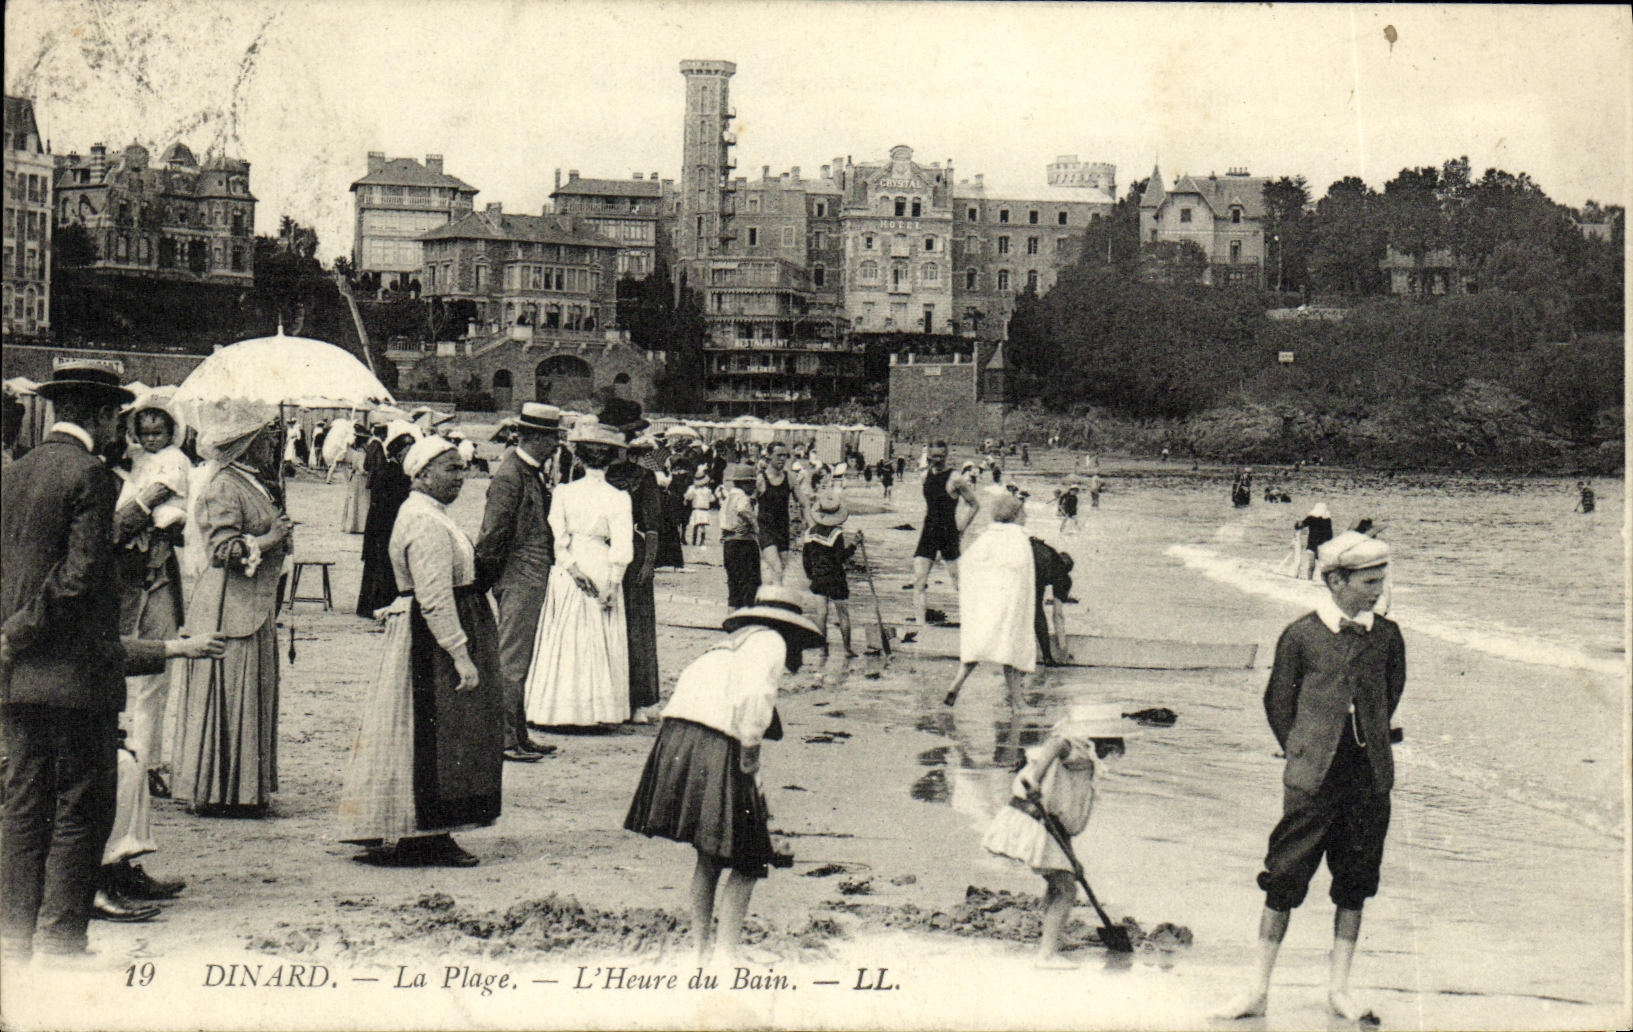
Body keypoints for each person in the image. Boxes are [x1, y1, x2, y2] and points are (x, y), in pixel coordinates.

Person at [1213, 531, 1404, 1023]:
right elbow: (1278, 703)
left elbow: (1390, 693)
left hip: (1368, 777)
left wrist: (1366, 740)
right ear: (1336, 581)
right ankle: (1257, 990)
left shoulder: (1388, 636)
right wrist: (1304, 751)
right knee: (1284, 878)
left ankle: (1339, 991)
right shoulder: (1300, 635)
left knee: (1356, 881)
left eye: (1381, 580)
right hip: (1312, 778)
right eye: (1369, 582)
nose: (1379, 590)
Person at [0, 361, 139, 962]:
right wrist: (20, 632)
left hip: (16, 677)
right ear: (103, 415)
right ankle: (60, 942)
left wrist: (9, 637)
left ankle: (11, 940)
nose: (120, 431)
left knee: (23, 807)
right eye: (118, 419)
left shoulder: (15, 471)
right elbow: (78, 578)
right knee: (82, 807)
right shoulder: (91, 475)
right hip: (75, 675)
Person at [624, 586, 823, 962]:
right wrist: (750, 753)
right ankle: (726, 956)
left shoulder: (732, 644)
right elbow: (755, 699)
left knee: (710, 855)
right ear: (790, 628)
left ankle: (700, 952)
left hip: (677, 737)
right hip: (715, 739)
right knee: (749, 862)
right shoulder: (772, 643)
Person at [338, 438, 504, 867]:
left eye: (462, 468)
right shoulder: (423, 521)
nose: (460, 477)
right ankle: (425, 835)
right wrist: (459, 652)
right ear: (422, 474)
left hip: (432, 632)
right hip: (428, 641)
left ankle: (425, 830)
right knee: (430, 733)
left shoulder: (432, 514)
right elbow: (434, 598)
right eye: (451, 468)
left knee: (430, 732)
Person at [172, 405, 291, 817]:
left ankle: (243, 790)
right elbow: (223, 551)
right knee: (230, 694)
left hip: (252, 604)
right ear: (247, 443)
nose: (273, 442)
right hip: (228, 606)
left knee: (249, 694)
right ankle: (222, 790)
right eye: (266, 436)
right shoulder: (222, 485)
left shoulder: (253, 482)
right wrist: (271, 538)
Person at [982, 703, 1129, 968]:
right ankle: (1047, 954)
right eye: (1111, 745)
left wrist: (1072, 858)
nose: (1110, 754)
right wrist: (1035, 779)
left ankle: (1051, 939)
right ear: (1104, 738)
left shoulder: (1085, 756)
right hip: (1037, 822)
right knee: (1066, 889)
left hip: (1047, 826)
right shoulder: (1077, 748)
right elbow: (1056, 744)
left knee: (1061, 882)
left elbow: (1063, 818)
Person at [523, 418, 633, 728]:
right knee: (597, 634)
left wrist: (571, 567)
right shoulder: (618, 497)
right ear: (611, 460)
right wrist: (613, 583)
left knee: (565, 633)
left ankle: (557, 710)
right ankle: (596, 711)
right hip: (600, 562)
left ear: (580, 458)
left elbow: (557, 536)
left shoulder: (563, 492)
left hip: (570, 565)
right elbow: (622, 545)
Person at [113, 395, 192, 800]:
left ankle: (149, 760)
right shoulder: (131, 463)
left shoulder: (175, 463)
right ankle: (122, 756)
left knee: (155, 671)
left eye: (158, 432)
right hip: (128, 577)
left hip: (158, 573)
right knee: (121, 665)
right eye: (143, 433)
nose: (150, 439)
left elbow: (162, 500)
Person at [474, 403, 562, 763]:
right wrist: (486, 576)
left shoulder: (525, 470)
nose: (556, 445)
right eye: (552, 438)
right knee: (512, 658)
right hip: (519, 573)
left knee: (520, 657)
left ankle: (518, 733)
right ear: (536, 438)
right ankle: (505, 738)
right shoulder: (511, 475)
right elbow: (492, 532)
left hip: (527, 572)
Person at [944, 494, 1037, 707]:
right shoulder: (1018, 537)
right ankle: (1019, 704)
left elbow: (966, 563)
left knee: (979, 644)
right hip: (1010, 603)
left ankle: (956, 684)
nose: (1026, 516)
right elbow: (1020, 570)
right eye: (1023, 512)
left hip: (987, 604)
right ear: (1014, 514)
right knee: (1012, 651)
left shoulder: (988, 535)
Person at [603, 402, 663, 724]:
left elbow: (652, 525)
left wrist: (649, 562)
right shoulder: (593, 475)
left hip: (634, 555)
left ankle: (639, 700)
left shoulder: (644, 477)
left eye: (625, 439)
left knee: (637, 626)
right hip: (599, 553)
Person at [356, 422, 419, 617]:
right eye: (407, 452)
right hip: (383, 528)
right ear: (399, 454)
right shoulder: (391, 473)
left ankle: (374, 605)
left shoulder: (399, 472)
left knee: (383, 567)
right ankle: (376, 607)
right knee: (381, 566)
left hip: (385, 526)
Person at [912, 442, 977, 627]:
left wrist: (962, 528)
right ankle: (920, 625)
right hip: (929, 531)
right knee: (919, 581)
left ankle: (972, 623)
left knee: (958, 581)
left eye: (941, 456)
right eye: (934, 456)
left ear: (946, 456)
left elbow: (974, 504)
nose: (938, 460)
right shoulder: (925, 476)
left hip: (948, 533)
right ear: (929, 456)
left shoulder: (955, 478)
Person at [798, 465, 854, 662]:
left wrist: (810, 575)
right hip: (835, 577)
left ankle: (822, 648)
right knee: (842, 613)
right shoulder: (836, 533)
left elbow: (805, 559)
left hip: (818, 577)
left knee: (821, 614)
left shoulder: (810, 533)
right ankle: (847, 649)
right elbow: (840, 557)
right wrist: (854, 546)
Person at [718, 464, 761, 610]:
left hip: (729, 543)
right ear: (744, 483)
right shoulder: (742, 497)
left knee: (733, 584)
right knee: (749, 583)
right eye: (751, 483)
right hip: (743, 543)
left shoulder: (728, 498)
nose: (753, 487)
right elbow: (743, 510)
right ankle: (746, 615)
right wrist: (755, 525)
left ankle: (732, 613)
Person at [1029, 537, 1074, 666]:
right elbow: (1057, 615)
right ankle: (1047, 657)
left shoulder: (1050, 556)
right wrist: (1063, 649)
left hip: (1024, 559)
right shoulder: (1058, 573)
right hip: (1029, 563)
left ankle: (1047, 657)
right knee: (1036, 611)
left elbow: (1057, 614)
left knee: (1034, 610)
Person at [756, 441, 794, 585]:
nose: (782, 459)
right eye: (779, 455)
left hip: (783, 529)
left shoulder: (790, 478)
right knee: (777, 568)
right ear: (769, 456)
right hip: (765, 528)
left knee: (780, 569)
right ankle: (776, 598)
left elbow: (804, 503)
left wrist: (813, 526)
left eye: (785, 456)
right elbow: (747, 503)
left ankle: (769, 593)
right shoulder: (761, 479)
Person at [340, 423, 373, 533]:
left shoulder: (353, 451)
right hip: (360, 480)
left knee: (354, 501)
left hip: (354, 479)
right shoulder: (362, 454)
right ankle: (360, 526)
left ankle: (352, 525)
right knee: (361, 502)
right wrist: (370, 472)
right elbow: (362, 469)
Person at [1294, 503, 1334, 581]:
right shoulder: (1327, 520)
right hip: (1323, 545)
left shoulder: (1312, 517)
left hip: (1312, 543)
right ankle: (1323, 582)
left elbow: (1301, 525)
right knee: (1323, 567)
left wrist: (1297, 524)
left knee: (1311, 566)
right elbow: (1330, 534)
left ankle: (1309, 580)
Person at [686, 476, 715, 546]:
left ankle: (694, 541)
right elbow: (712, 499)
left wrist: (690, 490)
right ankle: (702, 541)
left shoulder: (694, 490)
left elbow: (688, 497)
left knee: (695, 525)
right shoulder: (708, 491)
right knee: (702, 525)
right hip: (704, 510)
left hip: (696, 509)